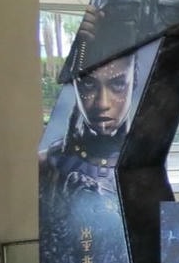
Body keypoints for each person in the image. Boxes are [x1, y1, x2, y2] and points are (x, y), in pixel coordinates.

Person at [39, 53, 135, 200]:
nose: (102, 104)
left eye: (117, 84)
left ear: (134, 82)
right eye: (89, 84)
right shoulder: (48, 162)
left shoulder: (147, 157)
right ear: (75, 86)